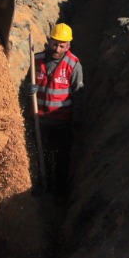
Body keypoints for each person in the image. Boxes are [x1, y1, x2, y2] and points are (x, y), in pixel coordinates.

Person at [33, 22, 83, 193]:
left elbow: (78, 93)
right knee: (42, 156)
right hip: (40, 120)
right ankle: (43, 185)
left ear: (68, 46)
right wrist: (29, 88)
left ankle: (60, 190)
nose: (57, 49)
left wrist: (76, 119)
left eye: (62, 46)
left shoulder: (73, 65)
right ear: (49, 41)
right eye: (54, 44)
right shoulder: (36, 60)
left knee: (62, 158)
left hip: (62, 122)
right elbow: (28, 84)